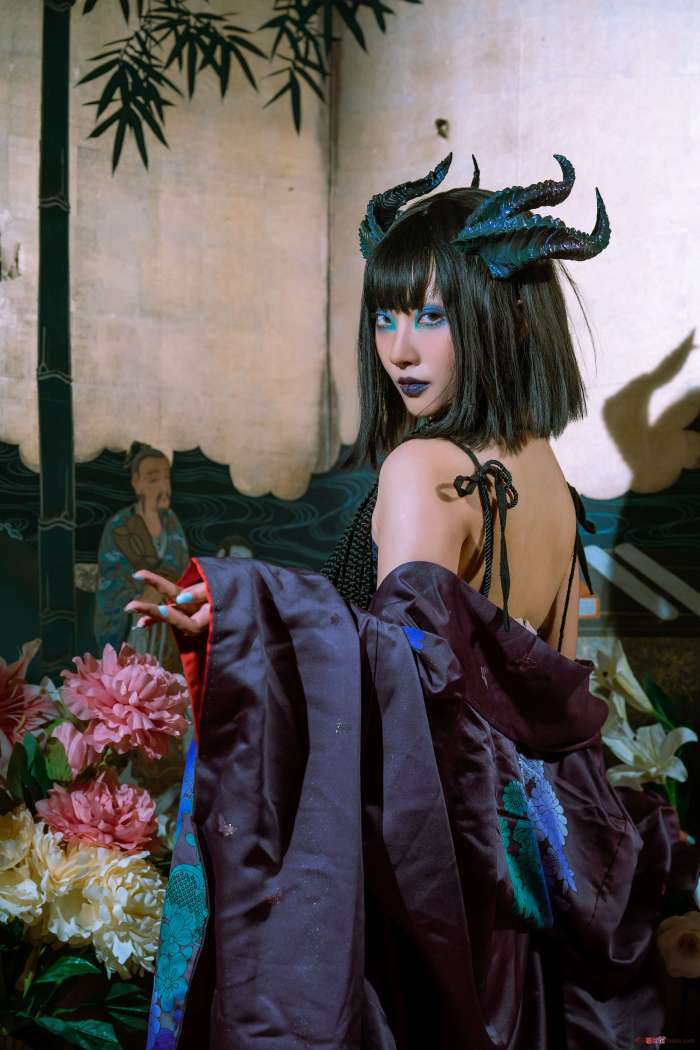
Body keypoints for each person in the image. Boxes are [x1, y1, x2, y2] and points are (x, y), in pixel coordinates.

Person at [129, 154, 698, 1050]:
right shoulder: (547, 474)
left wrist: (248, 621)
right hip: (534, 885)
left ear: (503, 317)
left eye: (431, 316)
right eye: (385, 316)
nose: (399, 349)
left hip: (441, 880)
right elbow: (544, 682)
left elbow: (404, 695)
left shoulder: (423, 468)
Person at [94, 442, 188, 671]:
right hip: (132, 624)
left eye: (166, 478)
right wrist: (143, 593)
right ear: (137, 483)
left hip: (166, 620)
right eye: (154, 479)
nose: (163, 487)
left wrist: (163, 588)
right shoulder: (120, 526)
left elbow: (183, 569)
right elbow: (111, 578)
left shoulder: (172, 522)